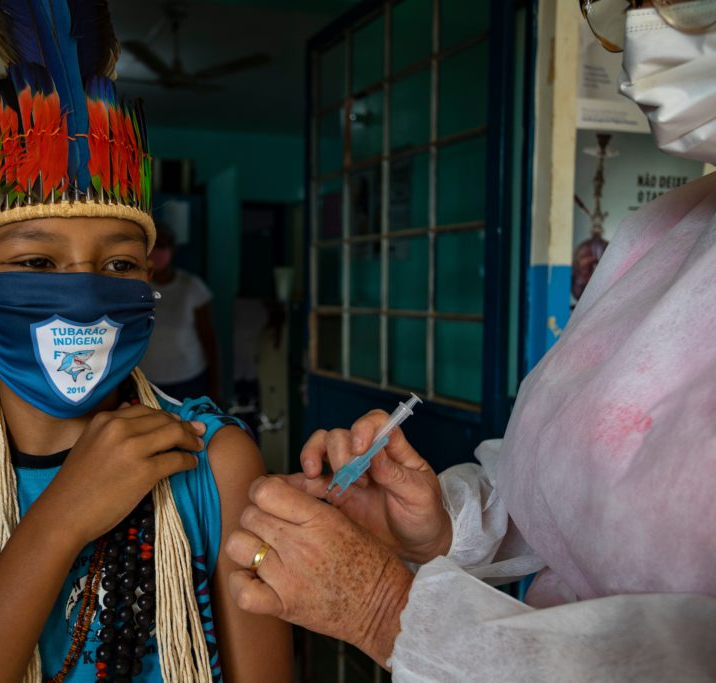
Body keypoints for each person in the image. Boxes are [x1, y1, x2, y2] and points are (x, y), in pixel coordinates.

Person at [224, 2, 716, 680]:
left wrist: (383, 608)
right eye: (626, 5)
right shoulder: (667, 230)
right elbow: (569, 487)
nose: (642, 35)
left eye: (680, 3)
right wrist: (441, 526)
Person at [0, 2, 291, 681]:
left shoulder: (209, 461)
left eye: (119, 264)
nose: (85, 295)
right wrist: (61, 519)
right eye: (37, 262)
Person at [138, 225, 221, 401]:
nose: (157, 252)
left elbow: (207, 335)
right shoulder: (137, 287)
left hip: (189, 378)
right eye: (153, 246)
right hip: (148, 379)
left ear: (173, 249)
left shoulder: (192, 286)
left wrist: (215, 383)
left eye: (162, 245)